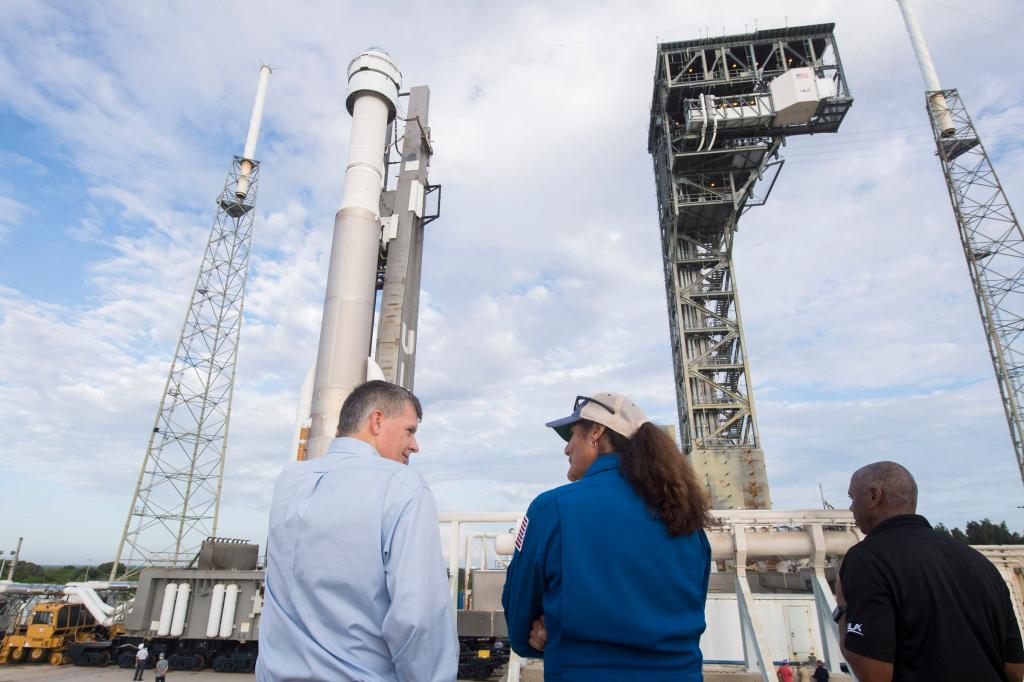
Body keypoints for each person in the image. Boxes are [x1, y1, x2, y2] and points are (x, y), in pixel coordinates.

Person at [256, 380, 458, 682]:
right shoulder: (404, 486)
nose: (415, 446)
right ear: (376, 421)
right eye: (410, 431)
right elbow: (419, 619)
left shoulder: (290, 481)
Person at [502, 392, 712, 681]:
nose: (566, 449)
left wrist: (554, 633)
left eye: (572, 435)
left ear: (597, 433)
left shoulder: (552, 509)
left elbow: (519, 621)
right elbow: (690, 610)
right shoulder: (686, 517)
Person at [835, 461, 1024, 682]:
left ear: (875, 496)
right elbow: (1014, 670)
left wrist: (842, 609)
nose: (851, 508)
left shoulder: (867, 558)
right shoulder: (980, 563)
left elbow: (874, 674)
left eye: (852, 498)